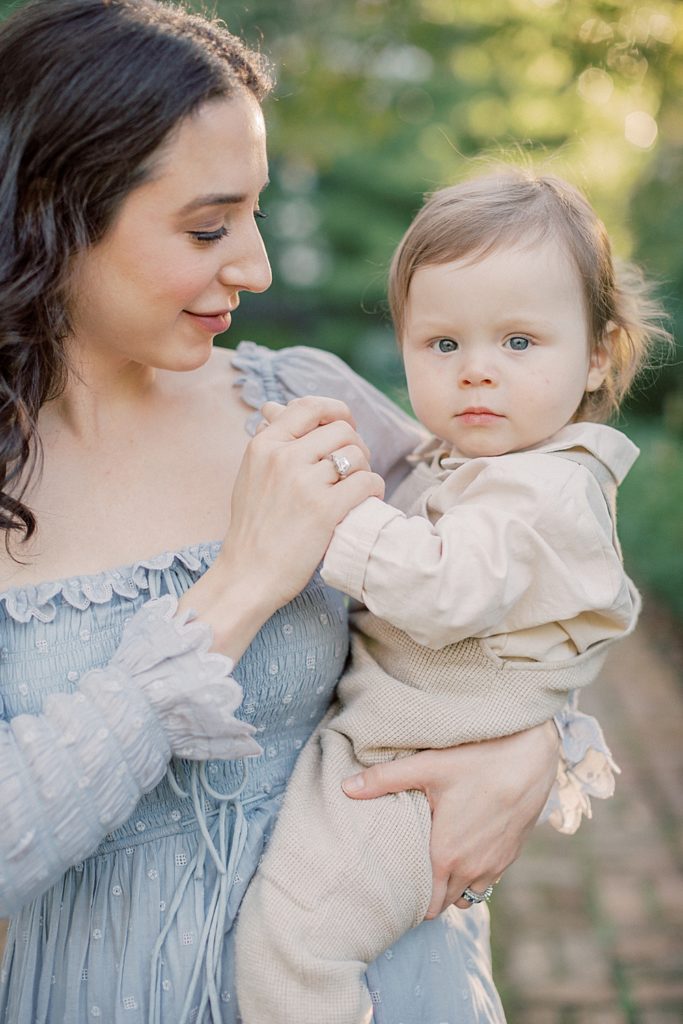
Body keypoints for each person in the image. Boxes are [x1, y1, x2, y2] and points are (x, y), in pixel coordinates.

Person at [0, 1, 617, 1021]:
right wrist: (238, 587)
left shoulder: (301, 401)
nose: (257, 266)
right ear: (55, 209)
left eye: (253, 213)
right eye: (207, 226)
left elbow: (526, 576)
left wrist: (533, 743)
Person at [234, 170, 669, 1024]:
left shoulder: (545, 491)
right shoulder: (481, 465)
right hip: (393, 754)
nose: (475, 373)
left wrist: (326, 518)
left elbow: (441, 588)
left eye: (517, 343)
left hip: (416, 781)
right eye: (441, 345)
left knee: (294, 948)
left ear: (594, 355)